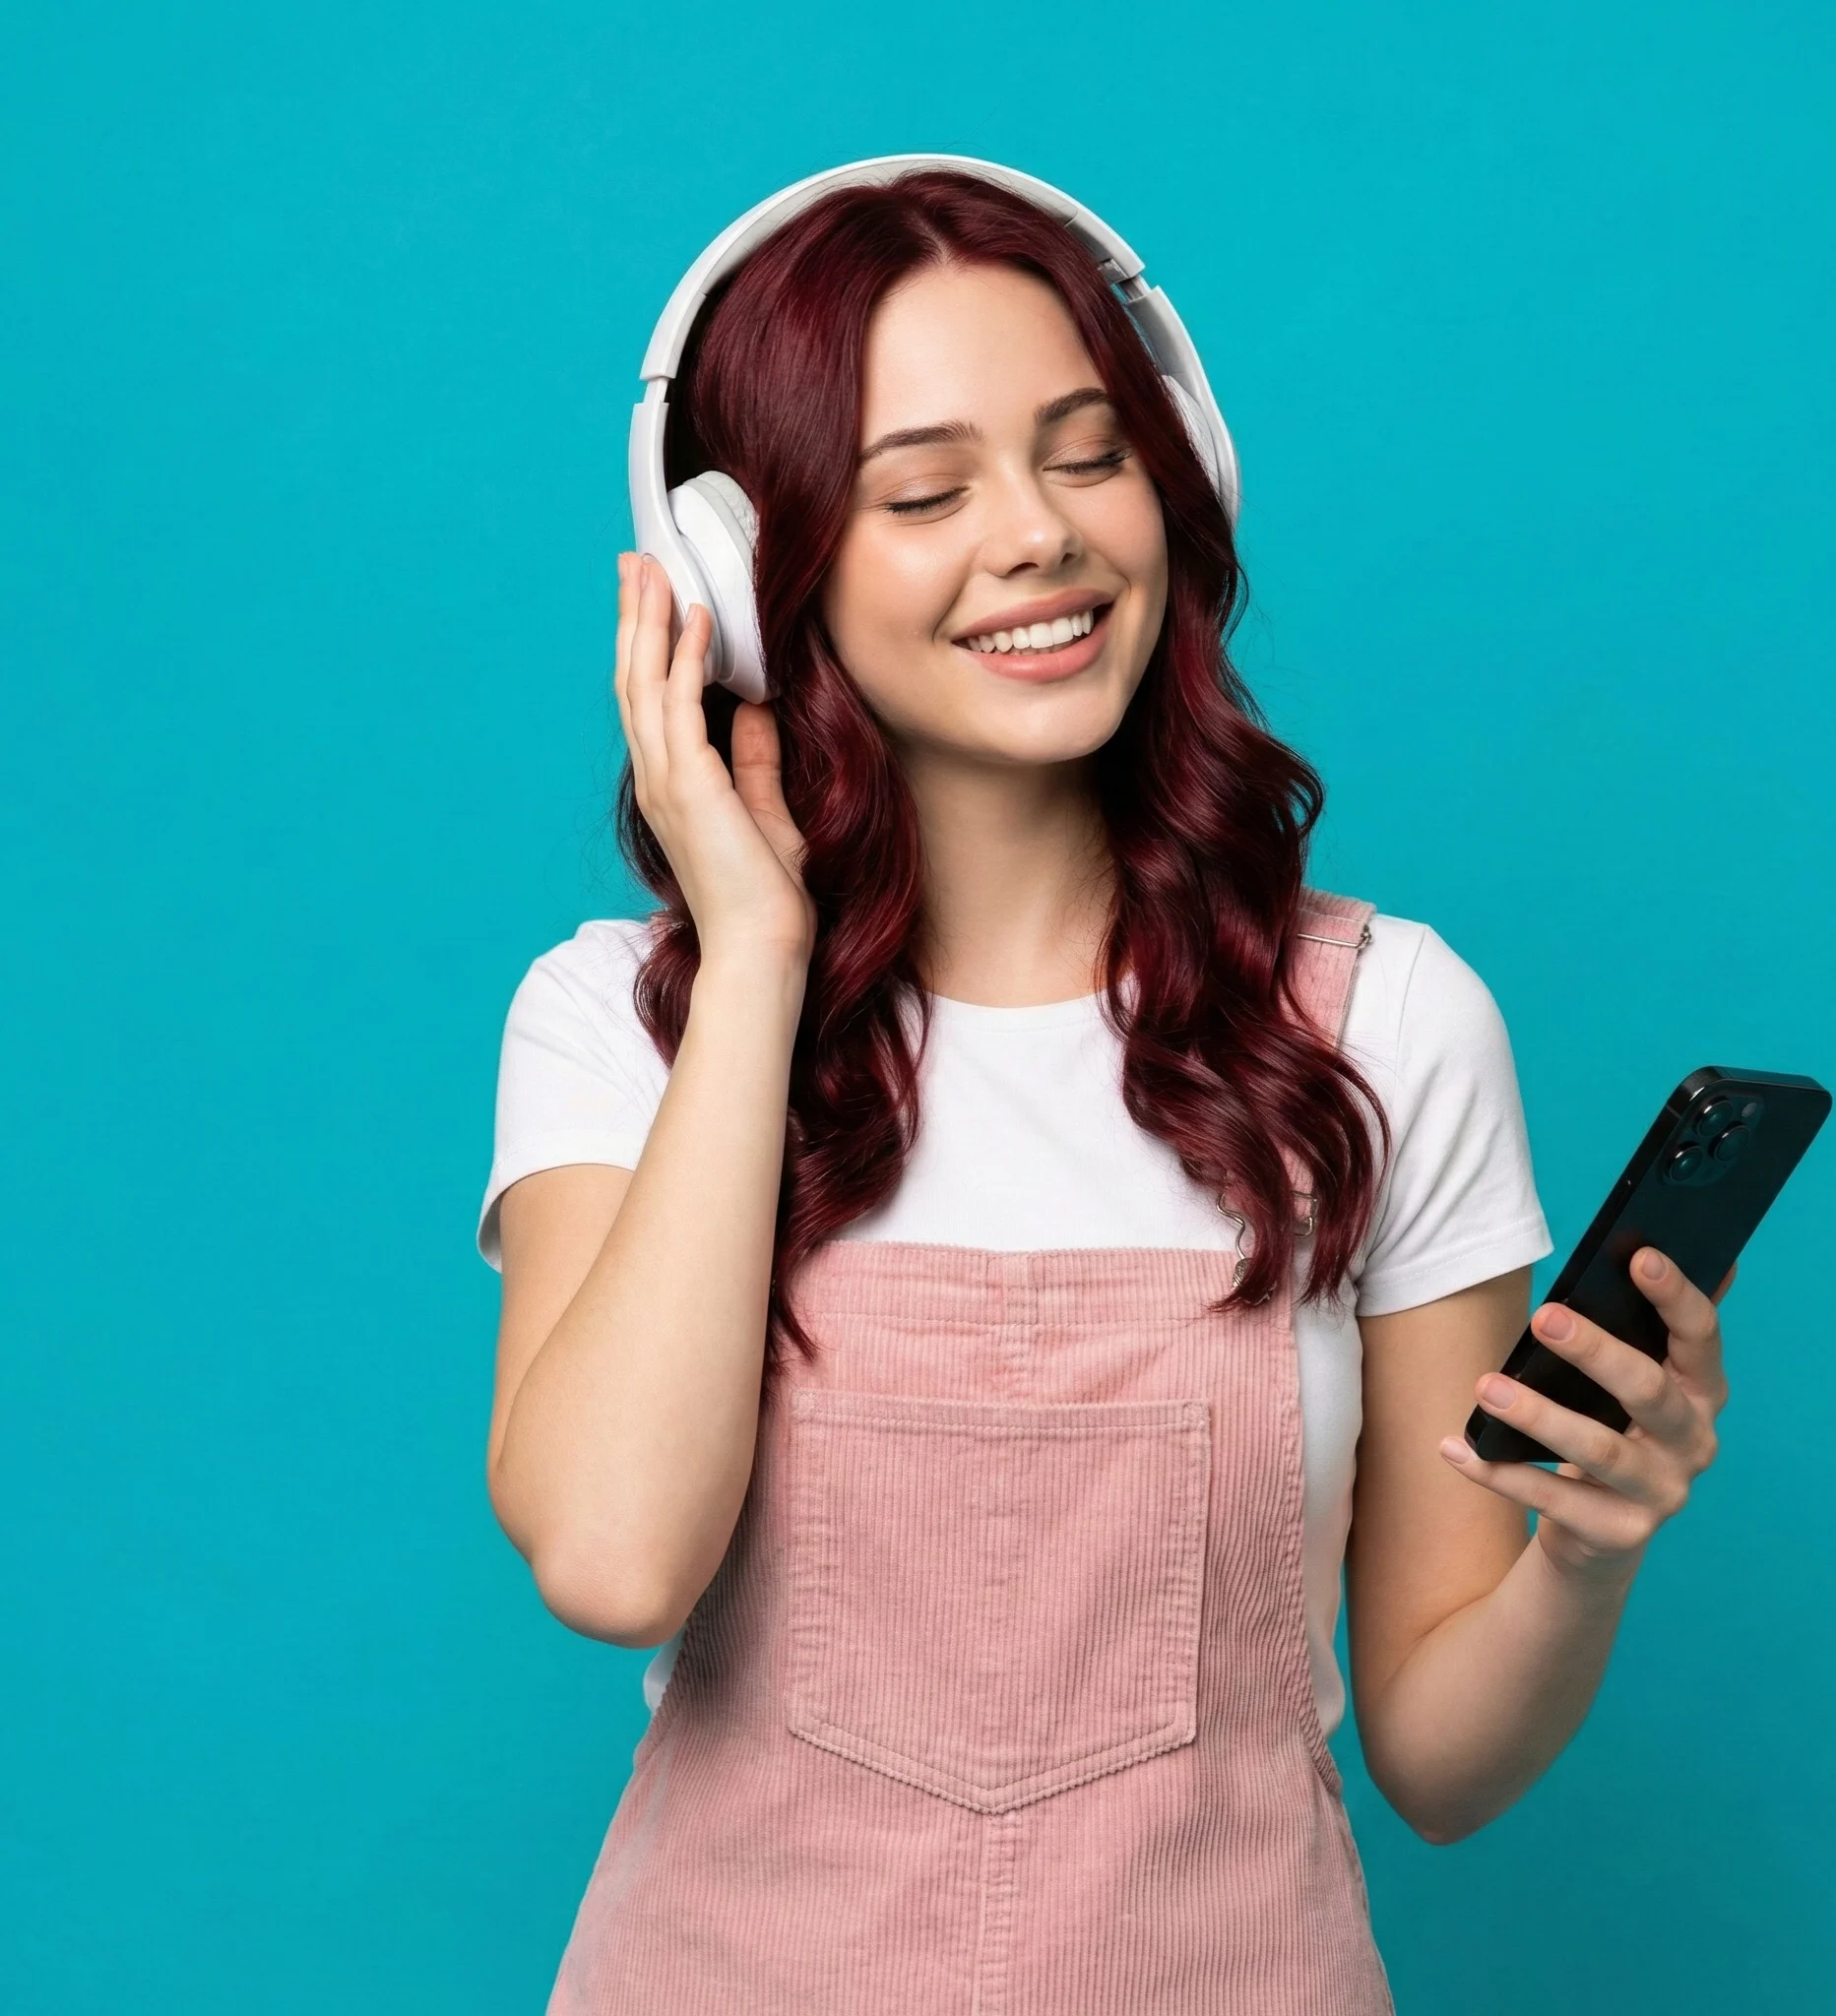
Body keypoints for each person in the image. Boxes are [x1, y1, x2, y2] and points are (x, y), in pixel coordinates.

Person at [477, 162, 1731, 2014]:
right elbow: (610, 1553)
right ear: (756, 579)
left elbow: (1439, 1761)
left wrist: (1590, 1557)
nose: (1039, 536)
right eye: (925, 491)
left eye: (1087, 454)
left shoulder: (1386, 1024)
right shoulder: (621, 1023)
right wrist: (754, 951)